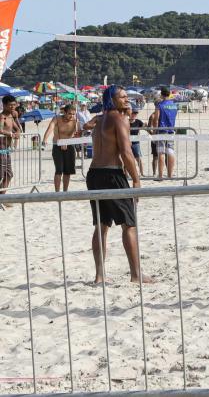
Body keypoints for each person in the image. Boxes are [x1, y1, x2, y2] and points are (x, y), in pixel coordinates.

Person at [87, 86, 147, 284]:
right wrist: (136, 179)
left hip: (94, 174)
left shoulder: (99, 120)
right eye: (122, 97)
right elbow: (126, 152)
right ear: (112, 100)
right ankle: (136, 275)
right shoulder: (119, 119)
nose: (127, 99)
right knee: (129, 224)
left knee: (101, 225)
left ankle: (100, 275)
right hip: (111, 174)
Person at [42, 104, 79, 191]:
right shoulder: (57, 118)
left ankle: (65, 192)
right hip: (57, 145)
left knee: (67, 171)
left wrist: (77, 135)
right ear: (64, 112)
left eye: (73, 114)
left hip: (69, 146)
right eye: (70, 114)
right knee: (59, 170)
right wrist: (45, 139)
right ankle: (57, 193)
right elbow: (50, 128)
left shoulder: (75, 120)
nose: (72, 116)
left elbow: (77, 134)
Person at [149, 88, 179, 181]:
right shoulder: (174, 105)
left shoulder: (160, 105)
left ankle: (161, 176)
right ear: (169, 94)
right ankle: (170, 175)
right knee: (170, 152)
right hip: (171, 130)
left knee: (161, 153)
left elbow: (156, 119)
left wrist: (154, 131)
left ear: (162, 95)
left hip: (161, 130)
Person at [0, 96, 21, 201]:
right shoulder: (2, 116)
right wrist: (11, 134)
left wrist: (17, 132)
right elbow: (0, 130)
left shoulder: (11, 116)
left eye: (14, 104)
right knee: (1, 174)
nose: (13, 107)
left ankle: (2, 198)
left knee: (9, 174)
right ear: (4, 105)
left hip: (6, 149)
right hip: (1, 148)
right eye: (10, 105)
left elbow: (17, 128)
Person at [128, 106, 145, 176]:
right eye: (133, 113)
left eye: (136, 113)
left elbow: (145, 127)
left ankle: (142, 173)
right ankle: (127, 174)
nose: (134, 114)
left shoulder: (138, 121)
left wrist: (152, 133)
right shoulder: (126, 121)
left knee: (138, 159)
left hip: (136, 143)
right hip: (127, 143)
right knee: (128, 159)